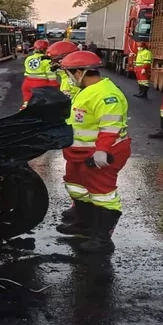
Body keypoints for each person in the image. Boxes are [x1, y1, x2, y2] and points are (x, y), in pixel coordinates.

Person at [54, 50, 130, 253]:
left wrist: (102, 151)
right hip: (79, 152)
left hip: (99, 154)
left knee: (103, 194)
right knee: (77, 187)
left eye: (69, 73)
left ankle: (102, 239)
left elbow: (110, 127)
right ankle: (83, 224)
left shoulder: (106, 96)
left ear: (80, 72)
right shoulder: (87, 90)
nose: (68, 77)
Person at [20, 39, 54, 108]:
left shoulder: (28, 58)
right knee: (42, 105)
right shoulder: (46, 60)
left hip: (27, 84)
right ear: (46, 49)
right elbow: (51, 76)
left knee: (27, 103)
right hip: (41, 85)